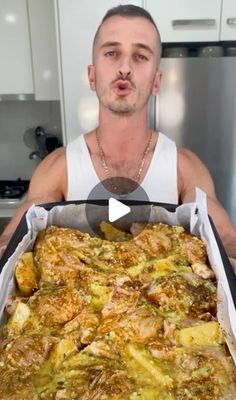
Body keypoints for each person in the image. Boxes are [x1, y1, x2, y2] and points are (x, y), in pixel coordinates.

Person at [0, 4, 236, 268]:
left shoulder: (185, 168)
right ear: (92, 75)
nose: (125, 67)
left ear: (157, 81)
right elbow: (14, 239)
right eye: (112, 53)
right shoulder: (58, 168)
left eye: (140, 56)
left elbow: (225, 237)